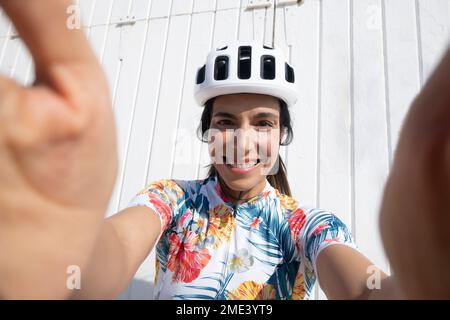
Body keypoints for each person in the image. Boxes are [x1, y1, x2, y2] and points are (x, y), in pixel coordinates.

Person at [0, 0, 448, 300]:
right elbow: (114, 247)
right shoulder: (172, 200)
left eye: (264, 124)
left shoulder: (306, 224)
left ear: (282, 136)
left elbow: (365, 292)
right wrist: (63, 257)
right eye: (225, 122)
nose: (243, 140)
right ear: (207, 132)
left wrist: (425, 276)